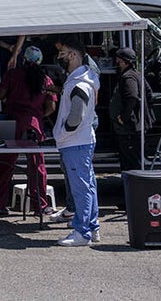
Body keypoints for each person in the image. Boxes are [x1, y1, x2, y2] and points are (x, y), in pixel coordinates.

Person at [0, 38, 61, 220]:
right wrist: (38, 115)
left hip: (12, 123)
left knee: (6, 164)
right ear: (39, 61)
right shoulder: (46, 80)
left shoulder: (13, 74)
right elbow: (52, 107)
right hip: (33, 125)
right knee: (37, 166)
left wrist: (9, 101)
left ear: (23, 59)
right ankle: (40, 206)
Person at [54, 41, 102, 245]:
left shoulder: (79, 84)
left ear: (73, 55)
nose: (59, 58)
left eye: (62, 54)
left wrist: (64, 131)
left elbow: (76, 116)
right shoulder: (85, 79)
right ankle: (92, 228)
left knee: (81, 188)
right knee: (88, 185)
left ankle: (82, 232)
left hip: (75, 142)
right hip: (82, 140)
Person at [110, 46, 147, 171]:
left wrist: (124, 117)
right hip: (132, 127)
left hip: (129, 129)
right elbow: (149, 93)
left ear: (124, 61)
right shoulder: (137, 74)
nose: (116, 62)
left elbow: (132, 97)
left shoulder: (128, 78)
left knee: (130, 162)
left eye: (119, 60)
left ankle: (132, 188)